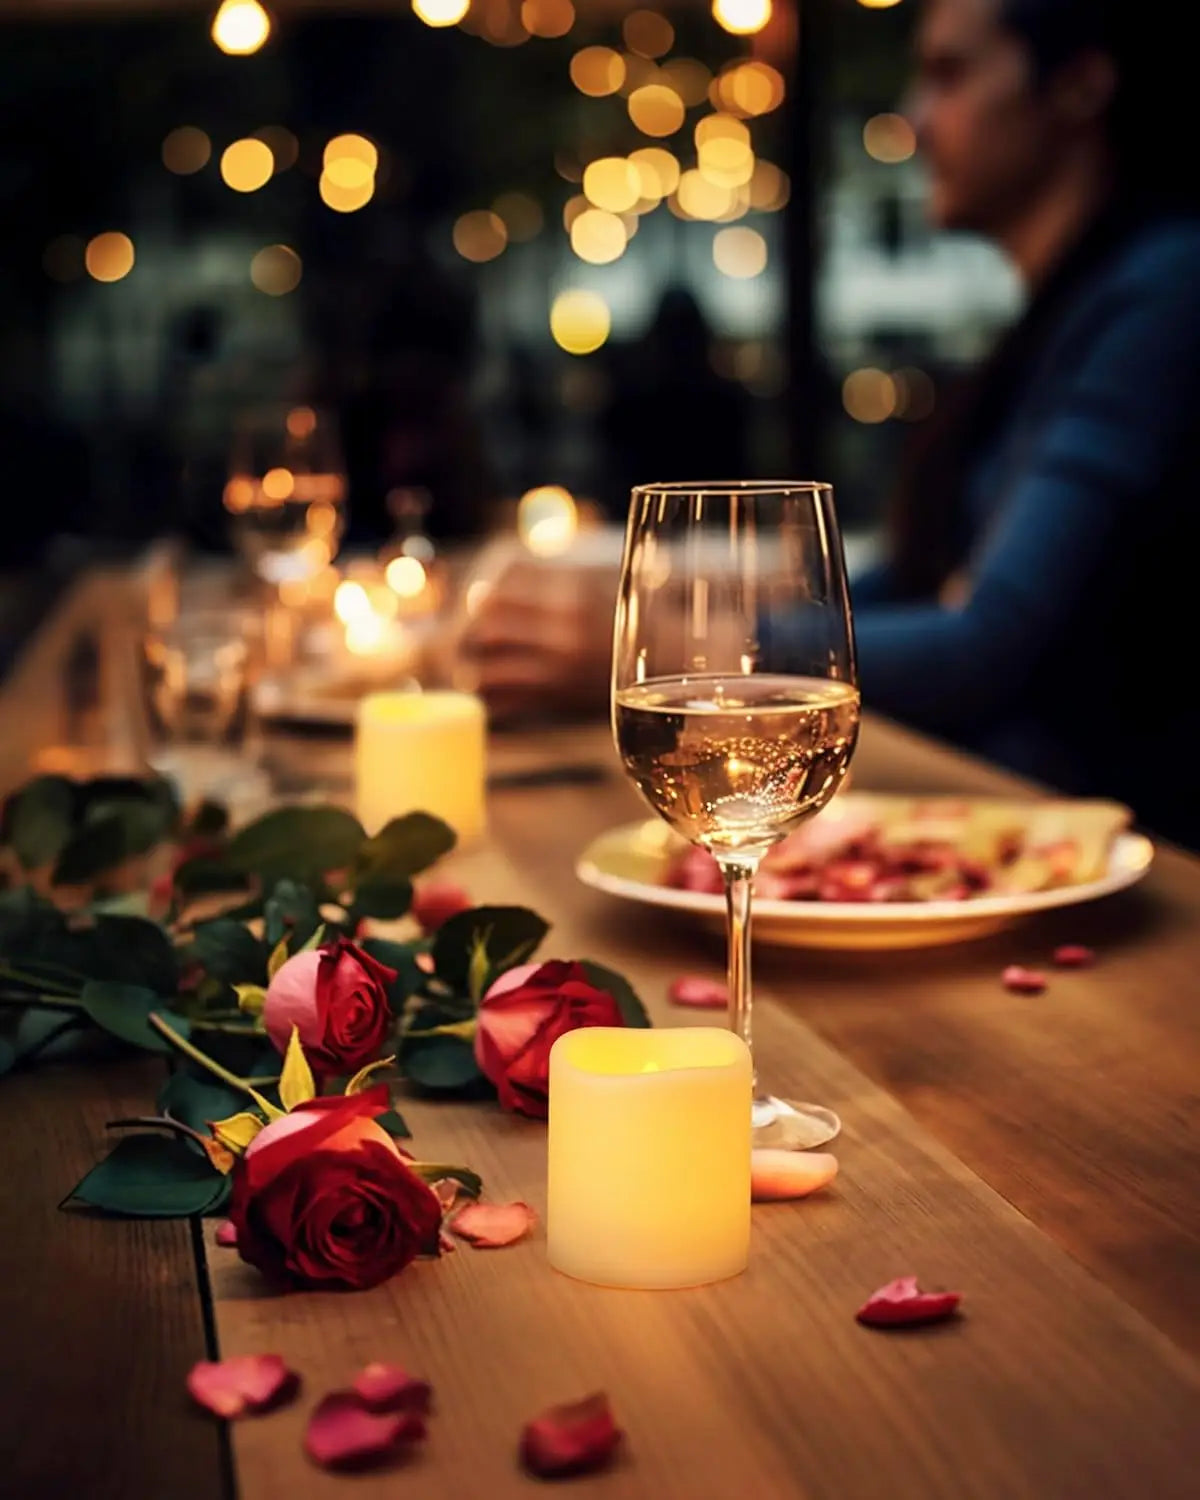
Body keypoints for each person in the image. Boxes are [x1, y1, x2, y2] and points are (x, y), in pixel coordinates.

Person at [460, 0, 1200, 847]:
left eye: (949, 74)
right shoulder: (1070, 312)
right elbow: (930, 586)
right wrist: (687, 607)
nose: (914, 121)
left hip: (1132, 870)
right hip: (1012, 825)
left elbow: (991, 641)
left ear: (1078, 87)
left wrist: (686, 648)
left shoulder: (1168, 292)